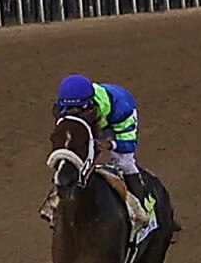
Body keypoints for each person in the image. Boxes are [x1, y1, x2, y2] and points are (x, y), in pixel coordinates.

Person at [53, 76, 154, 234]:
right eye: (70, 109)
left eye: (80, 109)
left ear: (91, 102)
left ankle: (143, 213)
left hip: (116, 123)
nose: (74, 113)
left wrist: (109, 144)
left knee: (124, 163)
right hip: (94, 120)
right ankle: (56, 203)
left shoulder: (121, 109)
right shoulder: (64, 105)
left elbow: (129, 144)